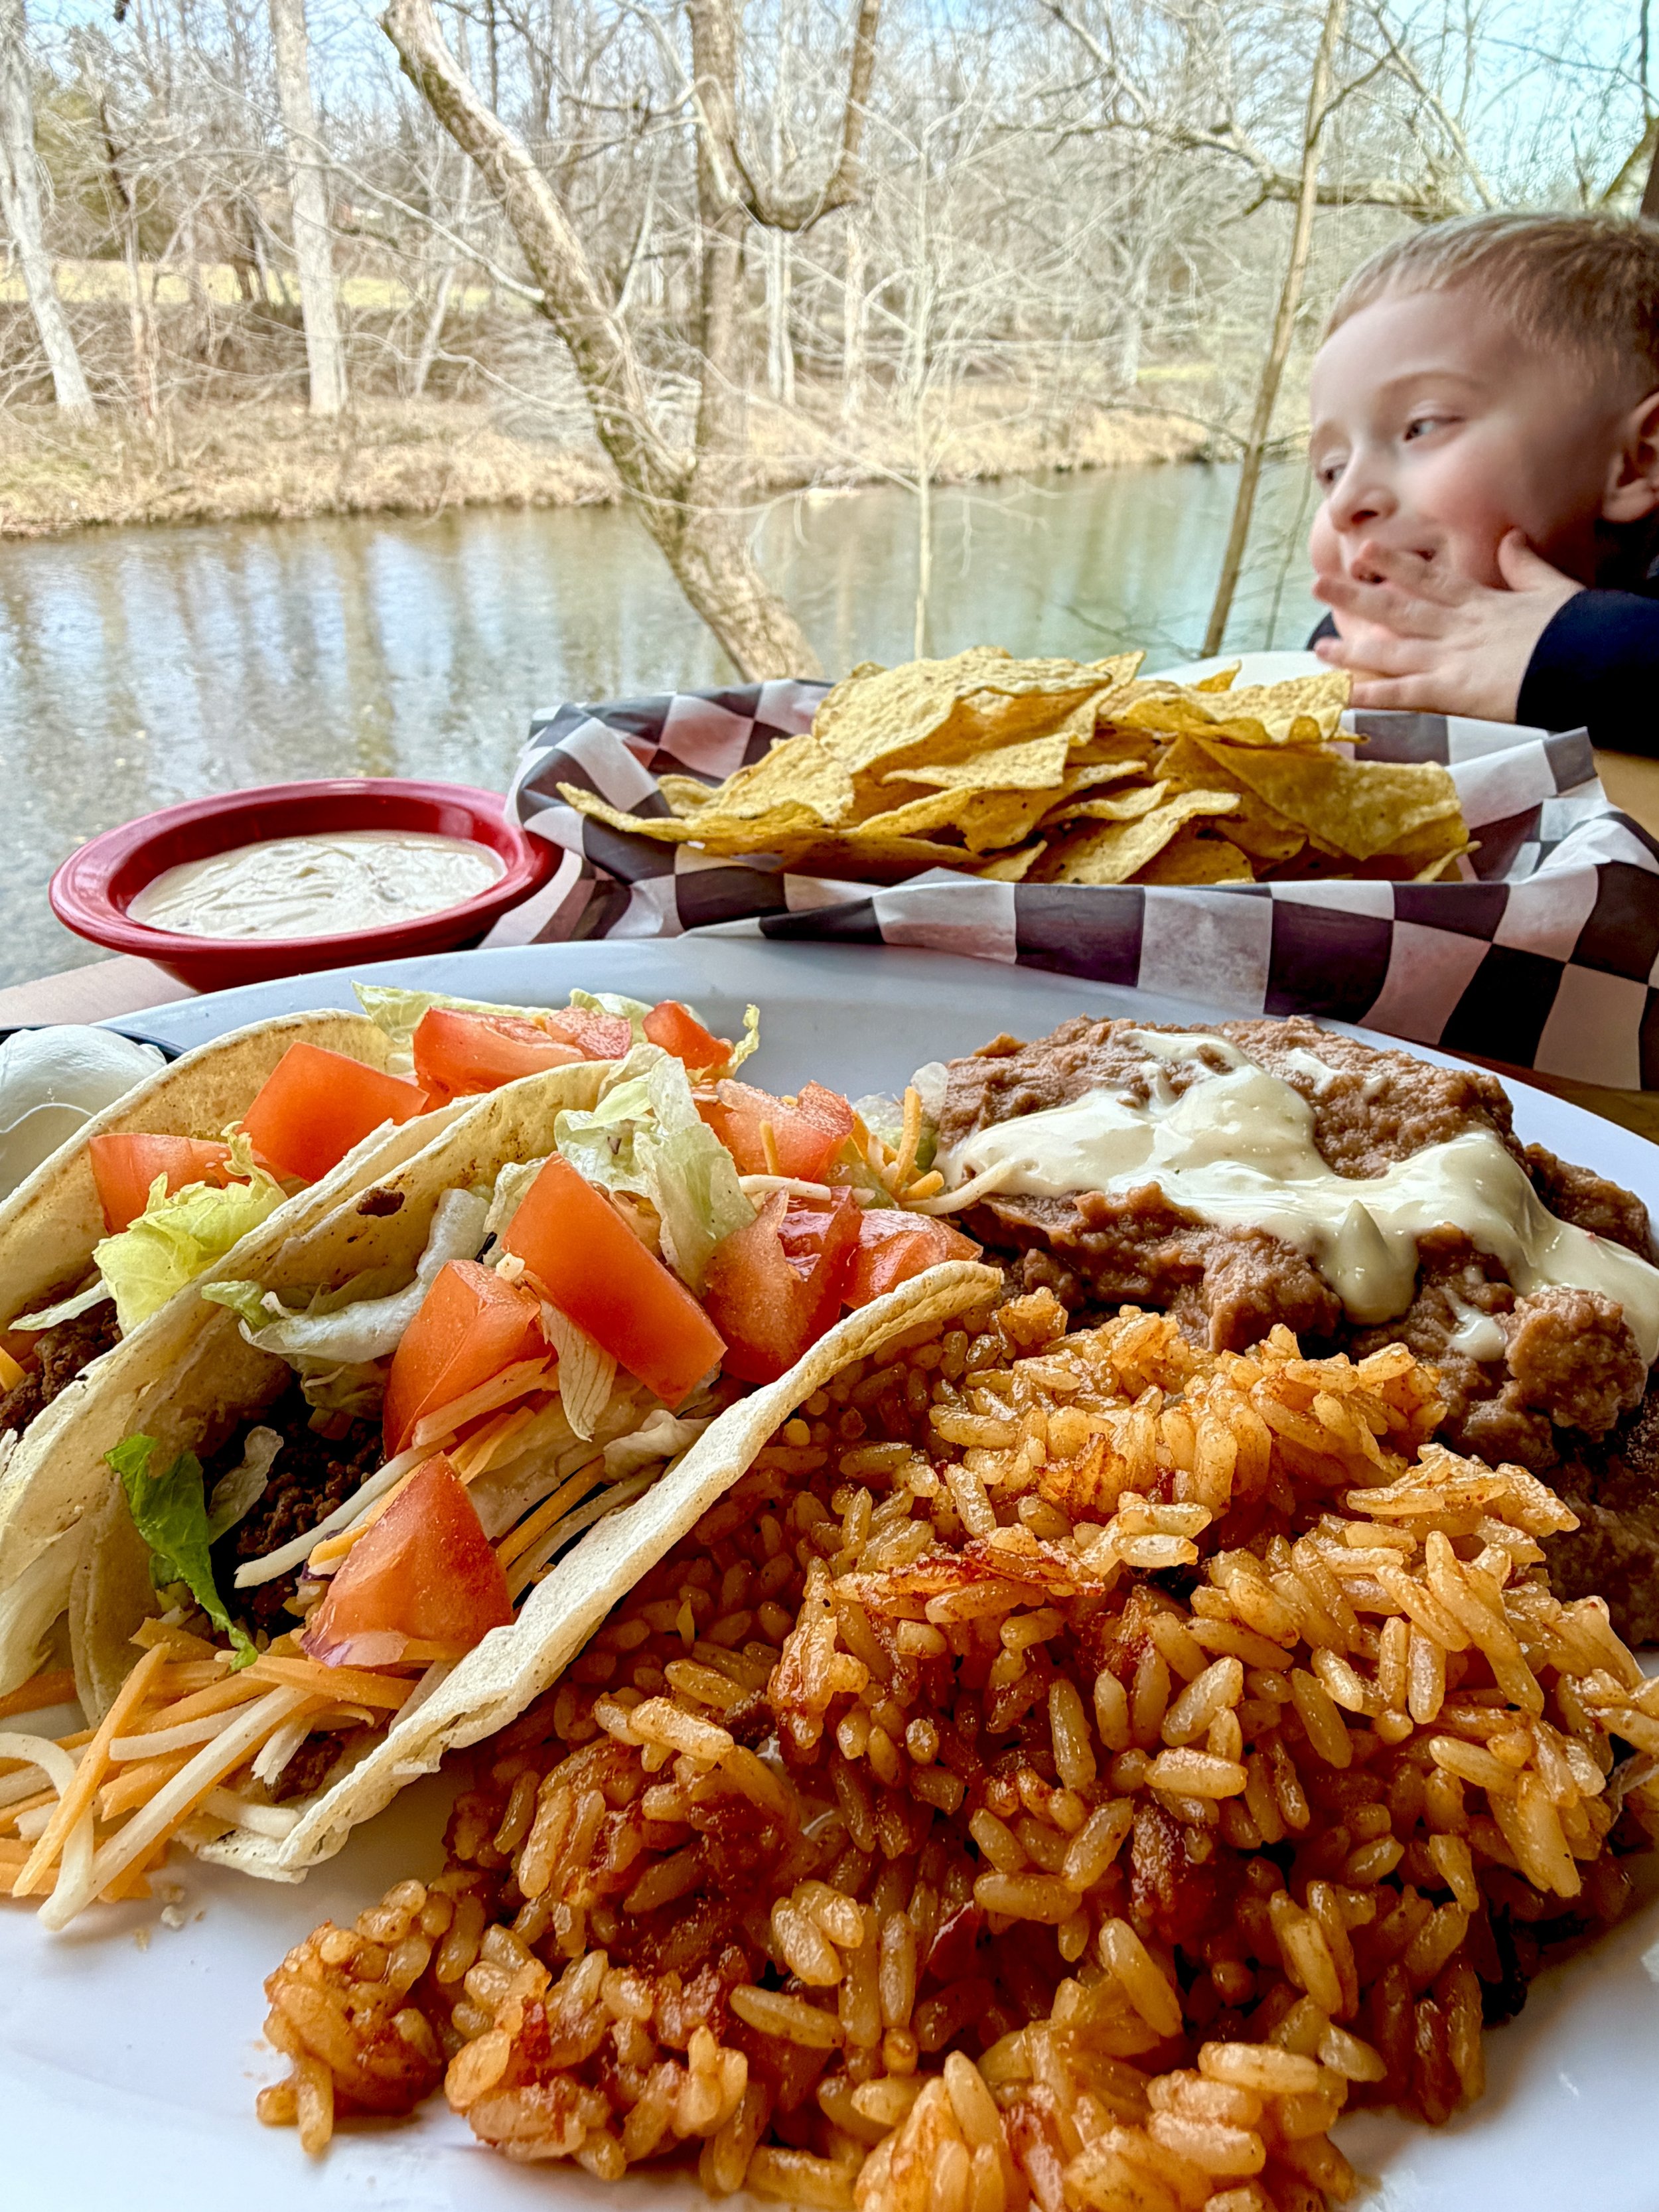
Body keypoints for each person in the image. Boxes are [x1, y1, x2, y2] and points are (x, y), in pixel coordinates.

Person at [1305, 212, 1659, 745]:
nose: (1345, 502)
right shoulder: (1344, 645)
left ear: (1638, 462)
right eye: (1331, 471)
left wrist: (1559, 652)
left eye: (1420, 427)